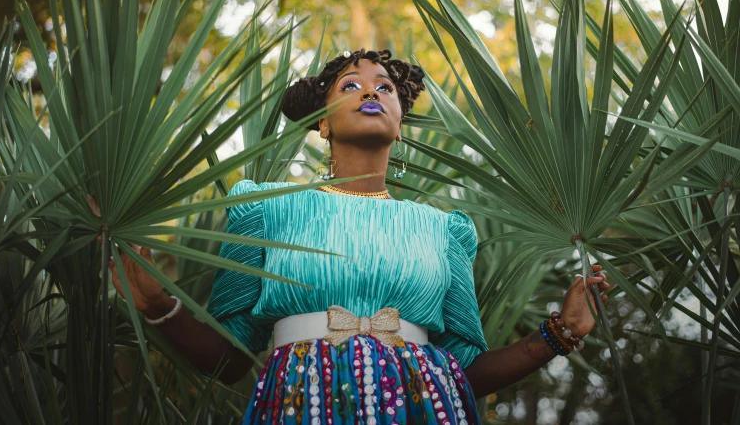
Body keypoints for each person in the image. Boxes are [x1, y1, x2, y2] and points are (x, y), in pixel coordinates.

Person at [108, 49, 611, 424]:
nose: (372, 92)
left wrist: (558, 334)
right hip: (298, 408)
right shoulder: (266, 206)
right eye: (350, 86)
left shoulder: (444, 229)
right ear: (321, 124)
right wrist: (158, 307)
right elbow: (229, 360)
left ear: (400, 125)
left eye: (385, 87)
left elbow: (467, 372)